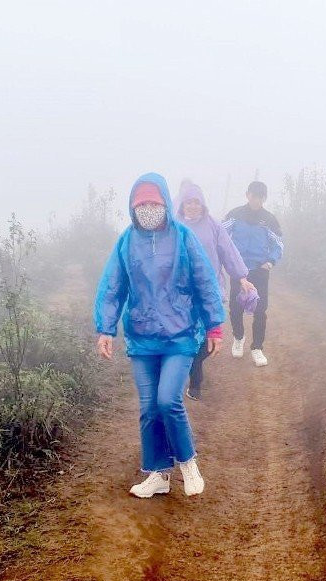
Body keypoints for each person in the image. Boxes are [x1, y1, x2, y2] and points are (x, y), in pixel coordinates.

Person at [94, 172, 224, 499]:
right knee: (149, 408)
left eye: (154, 203)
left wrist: (214, 325)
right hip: (142, 338)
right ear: (132, 208)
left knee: (168, 399)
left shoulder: (183, 237)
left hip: (180, 335)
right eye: (142, 205)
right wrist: (106, 328)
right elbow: (112, 286)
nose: (148, 209)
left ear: (166, 203)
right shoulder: (126, 241)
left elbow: (205, 281)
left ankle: (188, 463)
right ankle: (158, 474)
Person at [173, 179, 256, 400]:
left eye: (197, 202)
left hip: (210, 290)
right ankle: (195, 382)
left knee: (210, 339)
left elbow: (228, 251)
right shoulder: (172, 226)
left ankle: (193, 366)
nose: (193, 206)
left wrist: (241, 277)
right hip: (182, 293)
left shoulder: (213, 225)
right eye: (189, 202)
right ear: (182, 204)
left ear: (203, 204)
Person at [223, 180, 283, 367]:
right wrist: (226, 258)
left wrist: (271, 261)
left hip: (259, 270)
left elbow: (279, 243)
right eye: (253, 195)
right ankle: (238, 337)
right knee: (235, 307)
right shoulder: (235, 214)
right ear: (247, 194)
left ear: (264, 198)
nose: (256, 199)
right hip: (238, 269)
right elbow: (220, 236)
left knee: (260, 309)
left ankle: (257, 348)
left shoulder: (269, 219)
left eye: (260, 196)